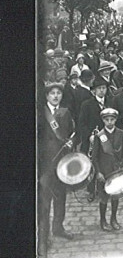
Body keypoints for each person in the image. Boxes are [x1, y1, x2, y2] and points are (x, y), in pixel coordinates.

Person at [38, 82, 78, 249]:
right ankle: (44, 235)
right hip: (46, 163)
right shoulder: (41, 114)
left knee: (60, 197)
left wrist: (71, 142)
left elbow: (72, 133)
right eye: (52, 93)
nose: (55, 96)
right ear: (47, 96)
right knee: (45, 200)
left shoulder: (65, 112)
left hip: (61, 162)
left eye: (58, 93)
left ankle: (58, 227)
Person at [91, 108, 123, 232]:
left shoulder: (122, 133)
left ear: (115, 120)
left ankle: (113, 219)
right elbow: (95, 156)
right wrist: (98, 172)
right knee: (103, 197)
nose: (109, 122)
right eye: (107, 119)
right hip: (104, 171)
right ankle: (103, 220)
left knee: (115, 196)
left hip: (117, 170)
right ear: (103, 120)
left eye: (112, 119)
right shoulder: (99, 136)